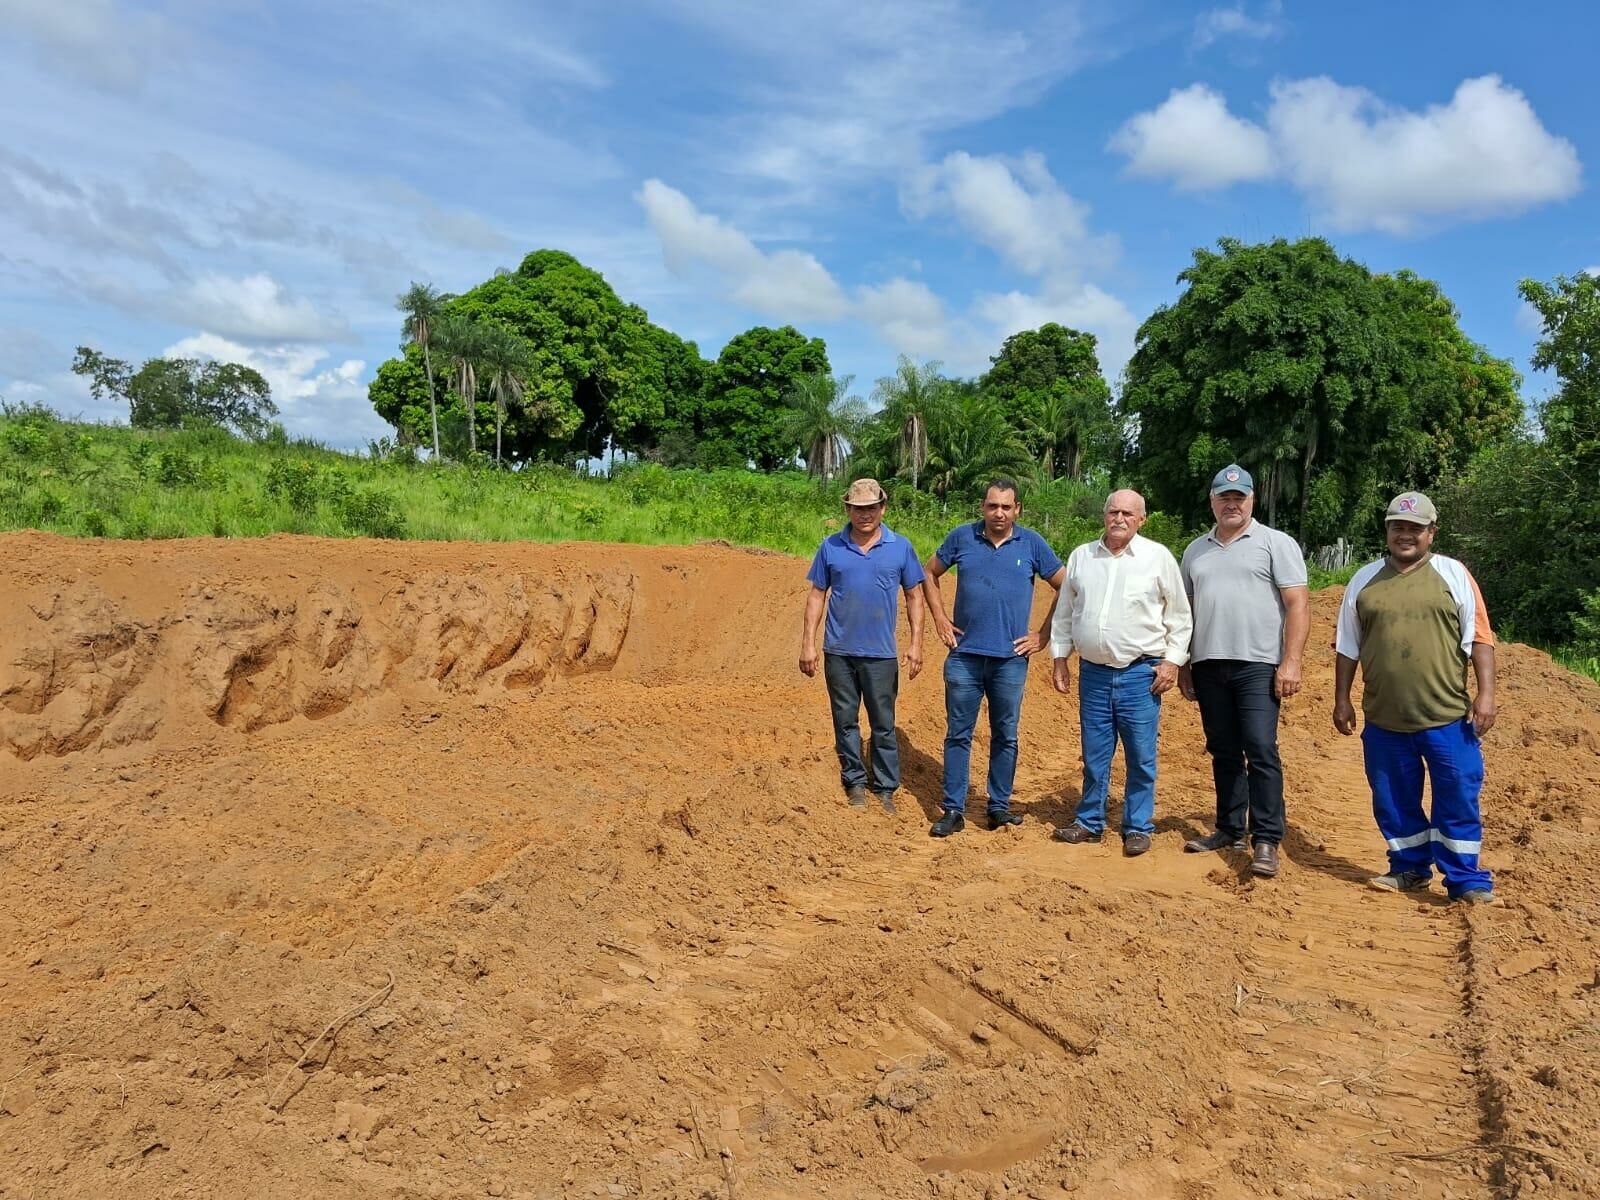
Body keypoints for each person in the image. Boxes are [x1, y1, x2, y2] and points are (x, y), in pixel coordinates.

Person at [1333, 491, 1498, 903]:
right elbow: (1347, 645)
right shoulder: (1364, 580)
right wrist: (1342, 698)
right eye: (1396, 527)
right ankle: (1408, 869)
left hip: (1446, 717)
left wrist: (1486, 694)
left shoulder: (1453, 573)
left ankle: (1465, 881)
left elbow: (1479, 638)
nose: (1404, 535)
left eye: (1414, 528)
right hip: (1385, 720)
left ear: (1431, 533)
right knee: (1393, 799)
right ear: (1387, 531)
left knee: (1458, 794)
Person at [1178, 465, 1309, 879]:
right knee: (1223, 750)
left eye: (1239, 497)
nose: (1231, 504)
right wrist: (1183, 663)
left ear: (1252, 500)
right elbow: (1185, 612)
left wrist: (1291, 661)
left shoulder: (1275, 543)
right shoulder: (1195, 550)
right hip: (1209, 663)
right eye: (1224, 497)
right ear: (1213, 501)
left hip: (1258, 663)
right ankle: (1229, 828)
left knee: (1261, 749)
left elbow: (1298, 605)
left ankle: (1266, 837)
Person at [1048, 490, 1192, 856]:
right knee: (1094, 754)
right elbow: (1065, 612)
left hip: (1140, 674)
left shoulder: (1157, 558)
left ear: (1141, 519)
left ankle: (1137, 826)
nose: (1119, 518)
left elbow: (1179, 617)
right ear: (1104, 515)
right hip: (1093, 674)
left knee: (1140, 756)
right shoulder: (1083, 556)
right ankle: (1089, 822)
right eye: (1113, 511)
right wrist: (1060, 657)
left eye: (1128, 513)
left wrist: (1173, 661)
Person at [922, 478, 1065, 837]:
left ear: (1017, 509)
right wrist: (940, 618)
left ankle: (998, 807)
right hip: (965, 655)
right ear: (983, 507)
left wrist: (1043, 634)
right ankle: (953, 809)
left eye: (1006, 506)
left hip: (1010, 659)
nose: (998, 513)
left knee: (1006, 734)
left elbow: (1066, 584)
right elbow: (928, 573)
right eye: (992, 506)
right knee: (958, 734)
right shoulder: (962, 538)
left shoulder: (1032, 543)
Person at [800, 478, 926, 814]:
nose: (865, 515)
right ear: (848, 510)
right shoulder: (831, 546)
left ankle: (885, 788)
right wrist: (808, 645)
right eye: (858, 509)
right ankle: (854, 781)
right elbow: (816, 596)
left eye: (871, 508)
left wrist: (916, 644)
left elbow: (914, 596)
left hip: (881, 654)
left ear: (882, 508)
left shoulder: (900, 547)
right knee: (845, 719)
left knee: (883, 723)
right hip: (839, 651)